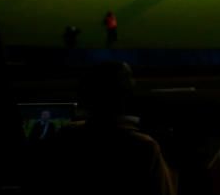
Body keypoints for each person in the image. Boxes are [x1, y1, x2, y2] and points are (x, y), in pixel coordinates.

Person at [36, 61, 176, 195]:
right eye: (129, 79)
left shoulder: (65, 136)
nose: (134, 82)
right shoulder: (145, 146)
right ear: (125, 95)